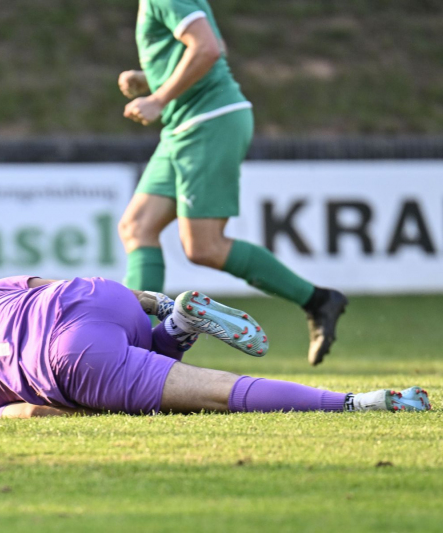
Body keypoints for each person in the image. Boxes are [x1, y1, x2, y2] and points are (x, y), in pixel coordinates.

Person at [117, 0, 348, 366]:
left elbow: (207, 49)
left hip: (207, 121)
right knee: (137, 226)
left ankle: (318, 300)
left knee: (204, 246)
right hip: (184, 125)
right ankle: (137, 342)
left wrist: (158, 97)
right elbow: (215, 45)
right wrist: (150, 78)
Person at [0, 276, 430, 418]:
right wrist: (144, 300)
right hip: (95, 300)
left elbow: (32, 412)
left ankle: (361, 403)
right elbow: (46, 283)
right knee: (144, 353)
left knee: (218, 394)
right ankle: (177, 318)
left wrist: (90, 404)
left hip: (74, 359)